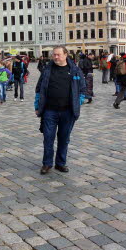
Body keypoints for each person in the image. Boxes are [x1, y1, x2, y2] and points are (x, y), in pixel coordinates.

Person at [35, 47, 86, 175]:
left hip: (68, 112)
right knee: (48, 138)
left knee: (64, 138)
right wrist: (37, 106)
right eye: (54, 55)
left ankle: (60, 163)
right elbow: (39, 88)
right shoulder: (47, 70)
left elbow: (83, 89)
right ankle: (47, 163)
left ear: (65, 55)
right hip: (49, 111)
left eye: (58, 55)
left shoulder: (74, 70)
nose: (55, 57)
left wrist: (78, 102)